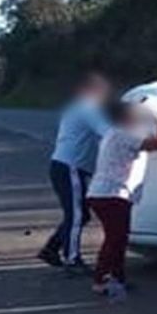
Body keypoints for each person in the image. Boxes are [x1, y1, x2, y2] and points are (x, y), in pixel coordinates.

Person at [87, 101, 157, 300]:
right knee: (115, 239)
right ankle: (101, 280)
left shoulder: (115, 134)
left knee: (118, 238)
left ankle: (117, 277)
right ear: (126, 116)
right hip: (112, 194)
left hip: (106, 193)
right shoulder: (123, 134)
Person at [38, 72, 112, 271]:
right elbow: (107, 132)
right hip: (71, 167)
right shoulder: (87, 107)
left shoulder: (77, 107)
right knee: (77, 215)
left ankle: (52, 248)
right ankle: (72, 258)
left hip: (65, 165)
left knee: (80, 214)